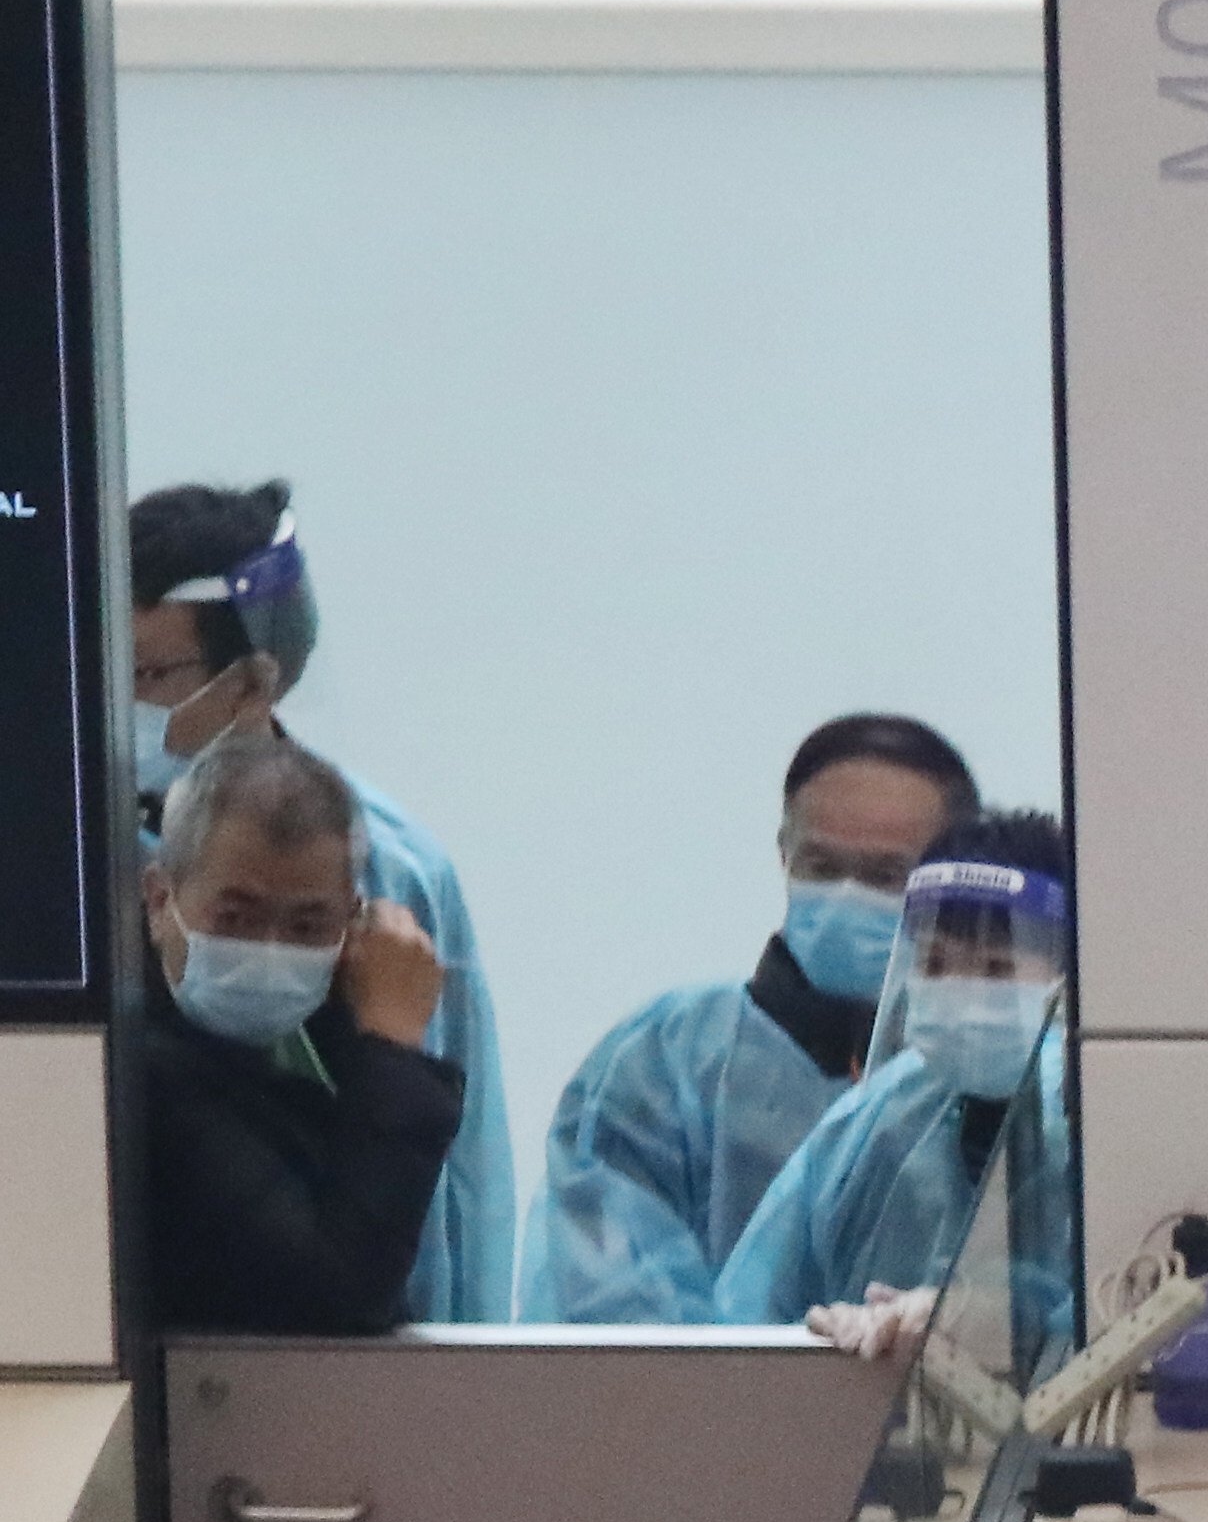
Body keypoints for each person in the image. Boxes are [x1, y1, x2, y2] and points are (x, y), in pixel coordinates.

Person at [134, 481, 513, 1319]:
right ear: (160, 897)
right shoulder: (87, 861)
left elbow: (460, 1177)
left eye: (152, 674)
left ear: (252, 682)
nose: (119, 701)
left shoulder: (392, 870)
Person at [532, 714, 979, 1322]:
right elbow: (615, 1319)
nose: (846, 894)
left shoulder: (983, 1077)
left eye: (884, 876)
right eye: (821, 867)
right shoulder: (663, 1062)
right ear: (784, 853)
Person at [125, 733, 464, 1335]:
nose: (270, 948)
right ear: (159, 900)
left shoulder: (318, 1038)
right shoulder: (138, 1073)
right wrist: (389, 1045)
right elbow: (338, 1293)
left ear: (352, 924)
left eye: (309, 924)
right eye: (236, 917)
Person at [709, 809, 1080, 1359]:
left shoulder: (1091, 1119)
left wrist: (998, 1316)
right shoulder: (876, 1120)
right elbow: (748, 1329)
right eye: (935, 963)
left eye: (996, 969)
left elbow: (1125, 1313)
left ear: (1069, 974)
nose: (959, 991)